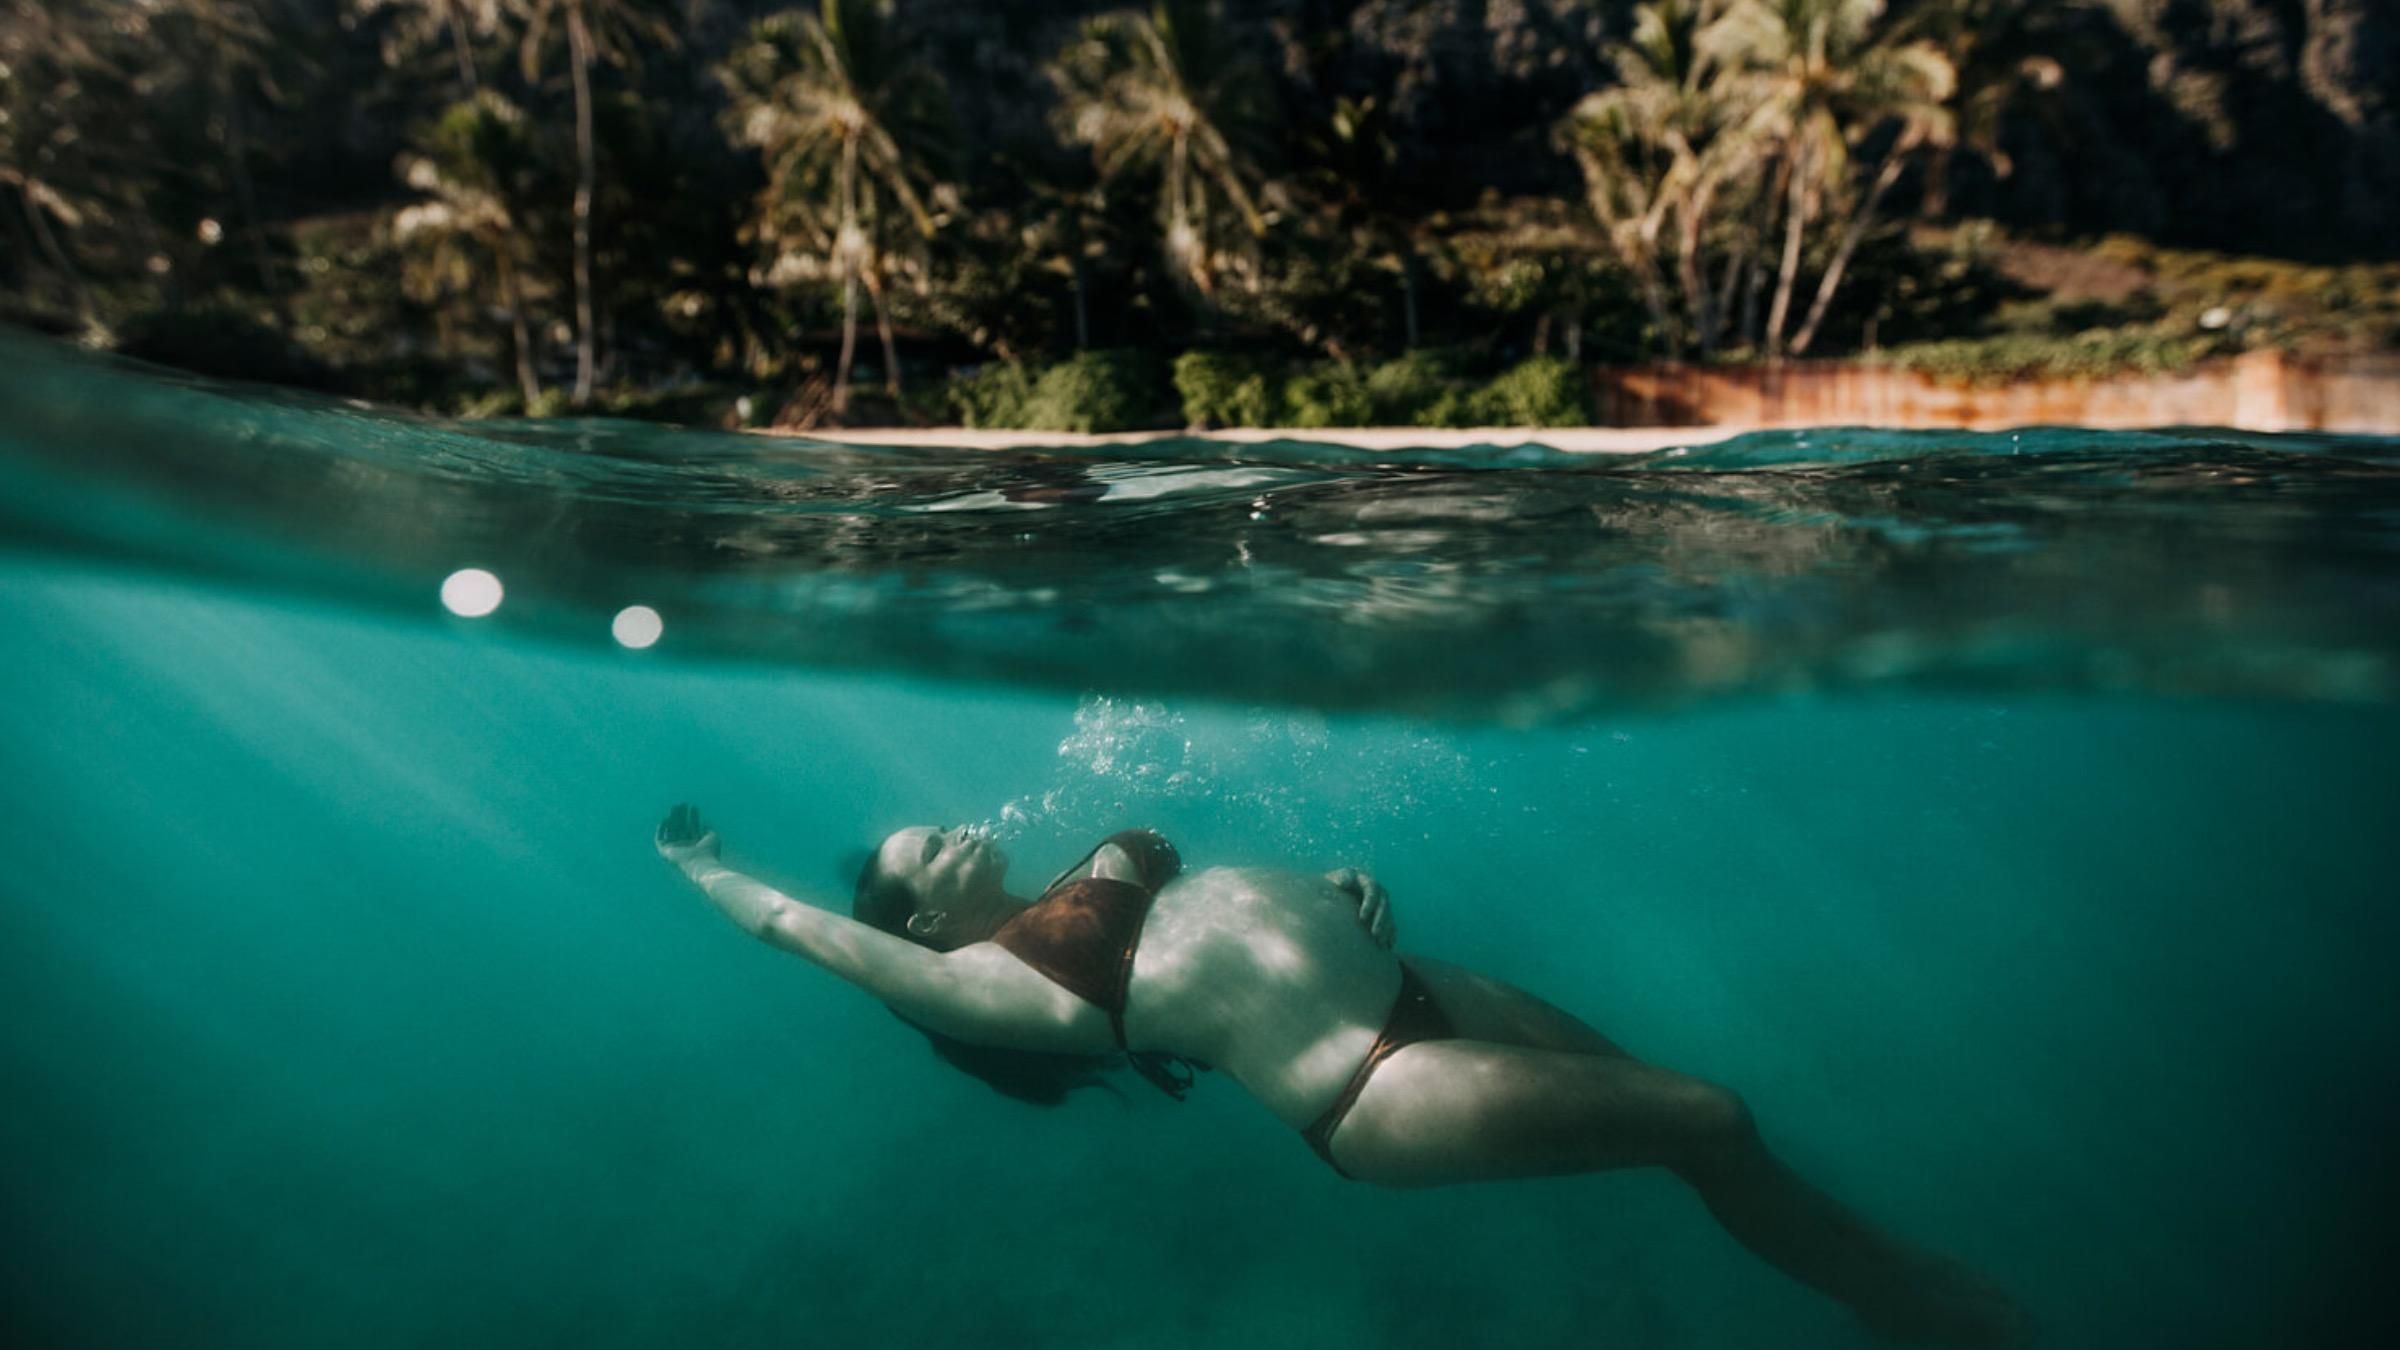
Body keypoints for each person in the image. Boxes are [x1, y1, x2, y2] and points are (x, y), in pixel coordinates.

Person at [656, 806, 2027, 1347]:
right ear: (917, 921)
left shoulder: (1073, 870)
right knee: (1710, 1118)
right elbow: (797, 928)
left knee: (1702, 1117)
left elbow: (1212, 912)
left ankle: (1880, 1284)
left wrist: (1335, 878)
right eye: (928, 852)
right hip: (1374, 1079)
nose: (952, 828)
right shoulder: (981, 986)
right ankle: (1896, 1299)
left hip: (1420, 980)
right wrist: (705, 870)